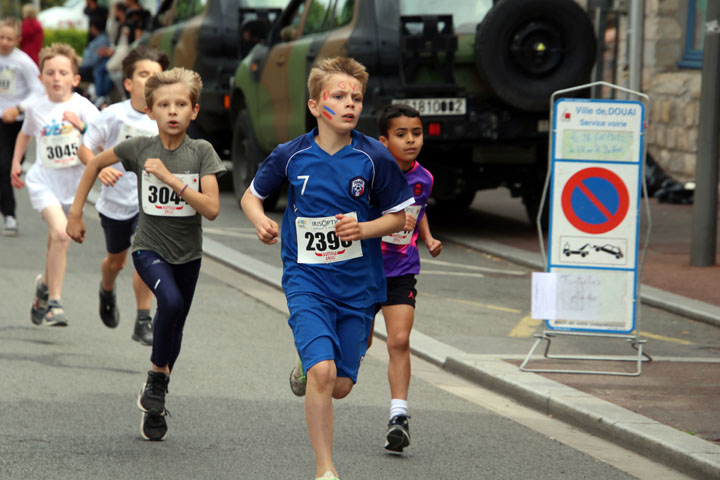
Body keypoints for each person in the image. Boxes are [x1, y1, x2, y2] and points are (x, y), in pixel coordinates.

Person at [240, 57, 413, 480]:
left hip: (359, 286)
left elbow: (400, 218)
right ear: (316, 106)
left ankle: (307, 367)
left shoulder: (374, 158)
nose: (350, 104)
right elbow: (251, 195)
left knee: (340, 384)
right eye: (338, 96)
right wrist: (260, 219)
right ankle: (325, 471)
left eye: (356, 97)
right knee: (323, 371)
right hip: (307, 277)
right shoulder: (291, 154)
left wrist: (365, 227)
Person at [66, 67, 225, 442]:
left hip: (188, 255)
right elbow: (93, 163)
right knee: (167, 303)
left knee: (175, 324)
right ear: (150, 112)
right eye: (164, 105)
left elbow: (213, 208)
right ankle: (157, 376)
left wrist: (171, 180)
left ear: (194, 111)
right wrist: (75, 213)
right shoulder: (140, 147)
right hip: (149, 248)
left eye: (181, 104)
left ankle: (156, 398)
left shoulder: (201, 152)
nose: (173, 111)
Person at [74, 45, 169, 345]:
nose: (151, 79)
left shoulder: (167, 116)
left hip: (150, 204)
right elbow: (84, 147)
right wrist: (99, 169)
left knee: (145, 255)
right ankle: (106, 288)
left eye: (157, 75)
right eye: (144, 74)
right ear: (129, 83)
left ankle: (143, 319)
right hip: (116, 203)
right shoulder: (113, 115)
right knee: (116, 261)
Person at [9, 43, 99, 325]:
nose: (56, 77)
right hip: (43, 181)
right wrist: (16, 162)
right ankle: (55, 303)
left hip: (74, 187)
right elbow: (24, 134)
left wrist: (81, 127)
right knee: (61, 235)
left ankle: (44, 286)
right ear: (42, 78)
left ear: (74, 79)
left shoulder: (84, 107)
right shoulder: (36, 106)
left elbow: (101, 139)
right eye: (50, 72)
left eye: (63, 72)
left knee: (57, 241)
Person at [373, 103, 443, 453]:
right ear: (384, 141)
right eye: (401, 134)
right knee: (359, 347)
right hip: (364, 270)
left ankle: (398, 417)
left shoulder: (424, 178)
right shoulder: (371, 174)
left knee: (399, 340)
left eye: (416, 133)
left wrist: (427, 238)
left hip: (402, 269)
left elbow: (419, 210)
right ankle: (313, 361)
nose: (411, 140)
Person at [0, 17, 44, 236]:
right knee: (2, 166)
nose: (5, 42)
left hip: (17, 124)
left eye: (10, 38)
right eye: (1, 37)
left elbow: (39, 91)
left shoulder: (24, 62)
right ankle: (10, 215)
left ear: (18, 39)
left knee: (10, 167)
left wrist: (18, 109)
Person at [79, 16, 113, 104]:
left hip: (93, 66)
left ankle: (99, 97)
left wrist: (83, 63)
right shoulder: (100, 38)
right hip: (92, 65)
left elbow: (95, 58)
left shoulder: (102, 40)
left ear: (94, 27)